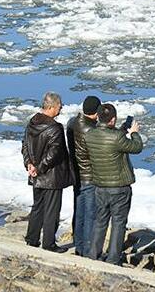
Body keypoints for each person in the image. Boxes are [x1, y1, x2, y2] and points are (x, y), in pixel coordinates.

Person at [85, 103, 143, 265]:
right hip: (119, 187)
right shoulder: (117, 138)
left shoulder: (90, 135)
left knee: (100, 220)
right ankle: (113, 259)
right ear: (113, 119)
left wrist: (123, 130)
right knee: (118, 222)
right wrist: (134, 133)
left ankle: (94, 254)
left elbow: (110, 138)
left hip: (100, 186)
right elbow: (136, 147)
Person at [21, 92, 72, 253]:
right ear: (50, 107)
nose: (61, 107)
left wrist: (29, 164)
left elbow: (25, 146)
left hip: (36, 174)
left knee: (38, 207)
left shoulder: (32, 123)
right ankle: (49, 244)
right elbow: (54, 153)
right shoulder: (55, 128)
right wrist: (39, 167)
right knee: (51, 210)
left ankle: (32, 238)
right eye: (59, 105)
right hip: (51, 176)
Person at [66, 95, 101, 256]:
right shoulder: (91, 130)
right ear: (96, 112)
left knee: (79, 212)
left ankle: (79, 245)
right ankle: (87, 250)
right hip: (89, 175)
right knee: (90, 214)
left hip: (76, 174)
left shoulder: (72, 123)